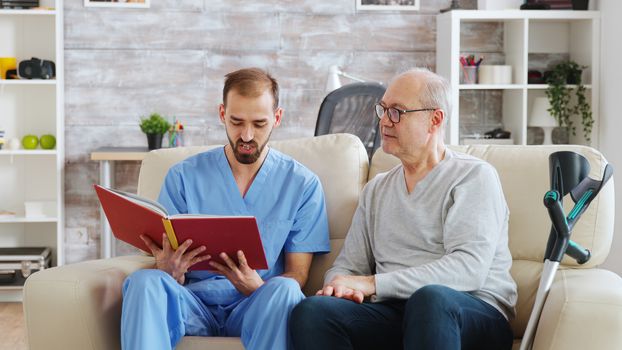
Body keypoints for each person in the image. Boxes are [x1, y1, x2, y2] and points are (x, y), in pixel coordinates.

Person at [290, 68, 517, 350]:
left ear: (434, 119)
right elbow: (349, 265)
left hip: (471, 311)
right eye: (383, 110)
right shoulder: (377, 190)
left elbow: (469, 269)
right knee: (312, 311)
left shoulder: (473, 177)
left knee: (430, 299)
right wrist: (338, 284)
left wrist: (374, 284)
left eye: (397, 111)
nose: (384, 121)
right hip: (397, 312)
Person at [121, 67, 330, 350]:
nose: (246, 135)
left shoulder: (302, 184)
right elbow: (164, 252)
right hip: (192, 303)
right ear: (222, 114)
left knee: (286, 289)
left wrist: (257, 287)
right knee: (145, 282)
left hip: (255, 305)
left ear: (277, 118)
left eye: (259, 124)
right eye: (236, 122)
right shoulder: (183, 177)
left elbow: (298, 274)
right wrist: (169, 270)